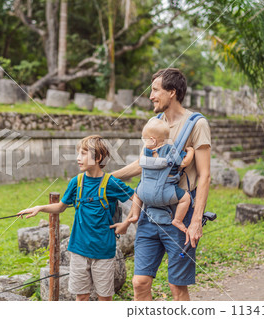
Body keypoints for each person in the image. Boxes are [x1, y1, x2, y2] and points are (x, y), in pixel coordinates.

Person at [111, 68, 211, 301]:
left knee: (177, 287)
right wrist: (108, 178)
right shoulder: (154, 123)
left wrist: (196, 221)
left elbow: (205, 176)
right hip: (149, 214)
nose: (151, 96)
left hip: (180, 216)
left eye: (155, 90)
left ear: (172, 92)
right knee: (140, 282)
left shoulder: (196, 124)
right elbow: (142, 164)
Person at [18, 135, 134, 301]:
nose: (78, 158)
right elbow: (60, 207)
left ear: (98, 157)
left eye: (83, 153)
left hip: (103, 251)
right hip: (78, 250)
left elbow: (136, 198)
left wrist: (127, 222)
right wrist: (40, 208)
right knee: (81, 297)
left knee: (105, 298)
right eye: (78, 153)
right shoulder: (76, 182)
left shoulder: (111, 183)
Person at [127, 117, 195, 233]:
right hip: (165, 192)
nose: (144, 142)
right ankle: (178, 220)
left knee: (137, 194)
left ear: (152, 141)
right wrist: (191, 151)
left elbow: (140, 162)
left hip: (145, 192)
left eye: (144, 139)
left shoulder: (146, 152)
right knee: (186, 199)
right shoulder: (171, 150)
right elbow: (184, 163)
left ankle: (135, 215)